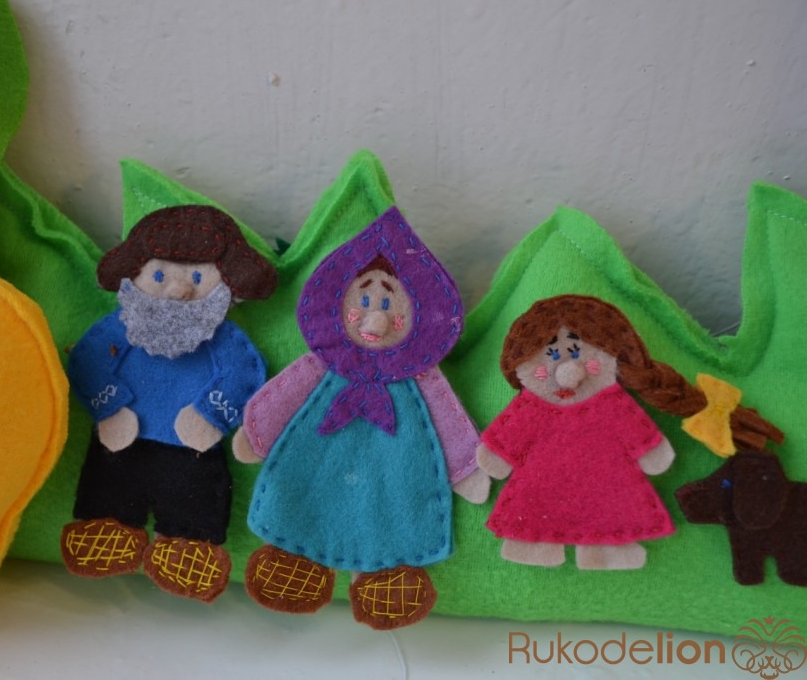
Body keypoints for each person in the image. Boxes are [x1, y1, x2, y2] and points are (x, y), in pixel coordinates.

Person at [232, 207, 489, 630]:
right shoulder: (322, 364)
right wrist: (257, 433)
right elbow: (283, 396)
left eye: (390, 305)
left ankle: (383, 579)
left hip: (395, 462)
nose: (376, 319)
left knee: (392, 510)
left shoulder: (422, 378)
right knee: (307, 497)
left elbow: (448, 420)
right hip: (318, 455)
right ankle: (297, 563)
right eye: (364, 302)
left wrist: (465, 468)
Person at [61, 204, 277, 602]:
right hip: (123, 437)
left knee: (192, 504)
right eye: (160, 276)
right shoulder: (119, 328)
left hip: (190, 445)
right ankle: (107, 534)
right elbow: (90, 364)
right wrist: (110, 407)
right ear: (135, 273)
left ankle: (188, 553)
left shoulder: (223, 339)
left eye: (197, 278)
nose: (179, 291)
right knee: (110, 490)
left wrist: (210, 415)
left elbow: (241, 376)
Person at [477, 294, 783, 570]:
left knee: (609, 513)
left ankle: (606, 550)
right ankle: (534, 546)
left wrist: (651, 451)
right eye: (552, 355)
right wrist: (497, 456)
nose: (568, 371)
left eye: (578, 352)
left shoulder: (610, 403)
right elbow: (509, 439)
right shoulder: (532, 408)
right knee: (535, 514)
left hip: (605, 480)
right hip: (543, 485)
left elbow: (637, 435)